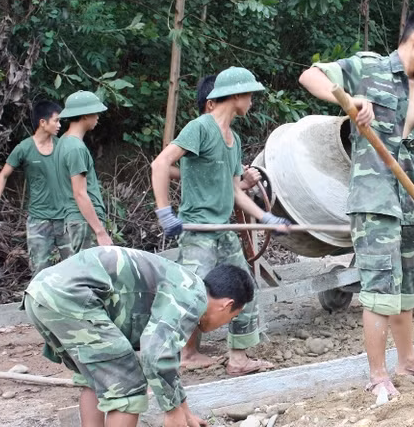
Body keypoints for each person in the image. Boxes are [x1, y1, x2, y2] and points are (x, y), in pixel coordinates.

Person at [298, 4, 414, 398]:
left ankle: (409, 361)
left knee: (407, 289)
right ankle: (377, 374)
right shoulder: (369, 68)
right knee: (380, 288)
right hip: (375, 201)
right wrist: (349, 100)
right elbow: (311, 75)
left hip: (409, 205)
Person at [151, 68, 288, 374]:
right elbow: (160, 163)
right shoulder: (200, 128)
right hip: (198, 230)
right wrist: (165, 213)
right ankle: (170, 356)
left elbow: (233, 190)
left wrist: (266, 217)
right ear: (236, 96)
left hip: (223, 229)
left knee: (245, 287)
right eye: (249, 95)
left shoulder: (234, 139)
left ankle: (238, 358)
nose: (252, 101)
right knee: (189, 292)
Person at [24, 246, 254, 427]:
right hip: (70, 297)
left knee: (97, 379)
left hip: (41, 294)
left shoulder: (183, 284)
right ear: (227, 305)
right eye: (233, 317)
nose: (226, 323)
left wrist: (185, 413)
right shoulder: (192, 296)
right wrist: (172, 414)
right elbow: (155, 354)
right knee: (129, 384)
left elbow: (167, 364)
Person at [0, 100, 73, 275]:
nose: (59, 125)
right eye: (56, 120)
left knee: (74, 269)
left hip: (65, 218)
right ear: (42, 122)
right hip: (39, 221)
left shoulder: (64, 146)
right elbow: (3, 175)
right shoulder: (24, 148)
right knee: (40, 272)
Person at [54, 91, 112, 252]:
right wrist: (100, 232)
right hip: (84, 221)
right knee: (89, 274)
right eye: (95, 113)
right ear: (85, 115)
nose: (98, 117)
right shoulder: (75, 148)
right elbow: (80, 193)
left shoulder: (63, 142)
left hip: (77, 220)